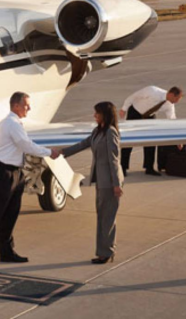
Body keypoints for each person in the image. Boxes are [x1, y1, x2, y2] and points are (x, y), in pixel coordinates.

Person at [0, 92, 59, 269]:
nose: (29, 108)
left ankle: (6, 252)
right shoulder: (11, 123)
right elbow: (25, 145)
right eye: (26, 105)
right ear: (16, 105)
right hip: (3, 172)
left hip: (16, 172)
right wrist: (49, 152)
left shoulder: (15, 123)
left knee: (11, 213)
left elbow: (24, 144)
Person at [60, 102, 124, 264]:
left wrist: (116, 185)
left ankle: (107, 252)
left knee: (107, 218)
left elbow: (114, 160)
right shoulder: (97, 131)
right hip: (101, 181)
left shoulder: (110, 132)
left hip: (110, 182)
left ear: (105, 114)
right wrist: (61, 153)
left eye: (97, 113)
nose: (94, 115)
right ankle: (103, 252)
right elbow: (83, 144)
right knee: (102, 216)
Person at [120, 86, 183, 176]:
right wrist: (124, 109)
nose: (177, 102)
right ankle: (123, 167)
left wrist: (178, 140)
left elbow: (172, 121)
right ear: (172, 94)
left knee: (151, 140)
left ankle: (149, 167)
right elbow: (133, 96)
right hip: (135, 113)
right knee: (130, 141)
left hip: (149, 116)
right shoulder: (152, 91)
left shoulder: (170, 105)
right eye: (177, 99)